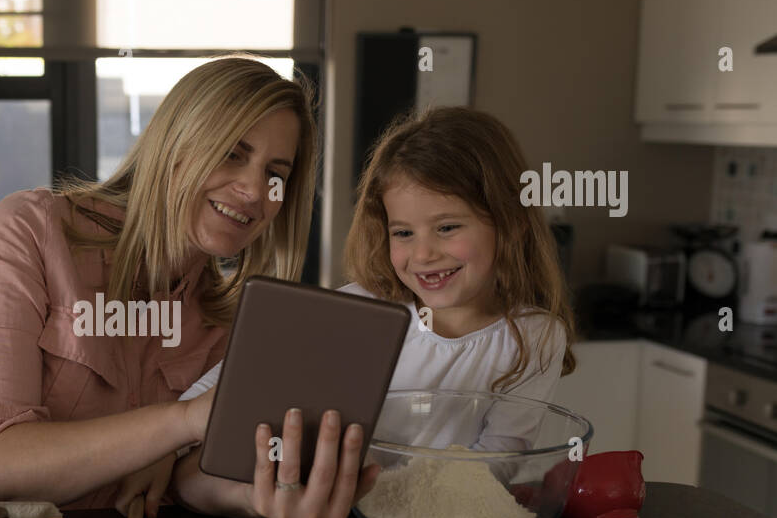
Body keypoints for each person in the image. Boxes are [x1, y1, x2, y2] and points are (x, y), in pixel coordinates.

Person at [0, 55, 375, 518]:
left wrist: (258, 494)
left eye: (274, 175)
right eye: (231, 153)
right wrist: (181, 422)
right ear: (174, 145)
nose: (252, 188)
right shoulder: (28, 233)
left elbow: (188, 479)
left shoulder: (228, 323)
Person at [177, 105, 577, 454]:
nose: (422, 255)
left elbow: (498, 462)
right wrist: (169, 450)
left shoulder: (536, 337)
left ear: (511, 223)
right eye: (403, 233)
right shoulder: (360, 310)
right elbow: (229, 384)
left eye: (448, 227)